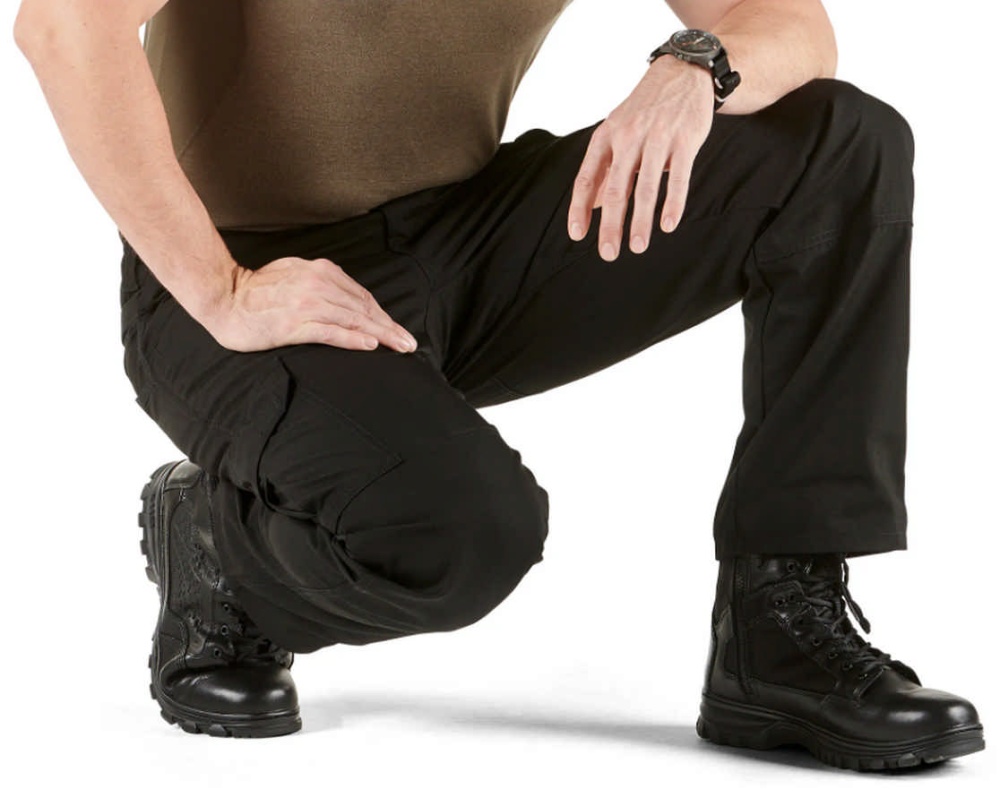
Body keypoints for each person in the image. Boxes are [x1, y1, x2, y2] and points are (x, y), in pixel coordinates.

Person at [14, 0, 985, 770]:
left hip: (462, 242)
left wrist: (696, 63)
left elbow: (790, 22)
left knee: (839, 146)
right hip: (242, 273)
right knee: (463, 537)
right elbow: (63, 22)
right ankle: (215, 550)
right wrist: (220, 288)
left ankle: (778, 632)